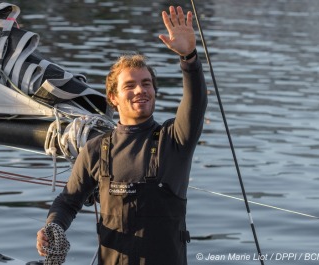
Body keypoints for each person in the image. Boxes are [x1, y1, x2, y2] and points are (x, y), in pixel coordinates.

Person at [36, 5, 208, 265]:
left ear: (154, 92)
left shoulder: (174, 139)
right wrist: (52, 227)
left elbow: (195, 103)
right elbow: (68, 202)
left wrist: (189, 58)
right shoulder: (96, 149)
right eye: (130, 85)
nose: (140, 90)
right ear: (113, 98)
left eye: (146, 83)